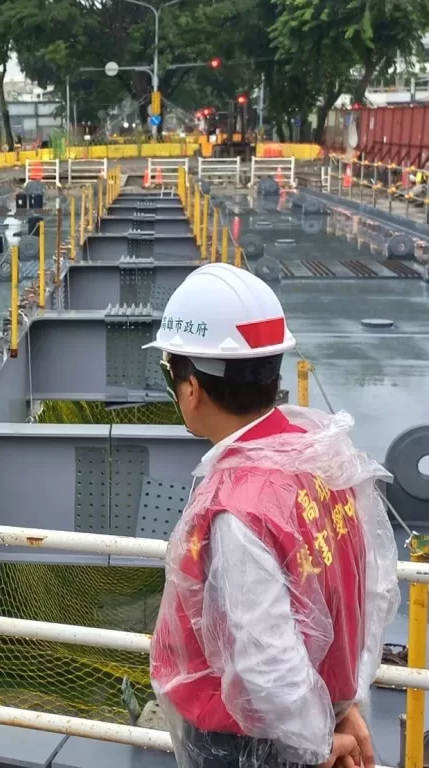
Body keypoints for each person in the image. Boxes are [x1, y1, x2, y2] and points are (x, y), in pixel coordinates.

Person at [146, 263, 399, 768]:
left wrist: (318, 743)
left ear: (191, 388)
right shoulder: (319, 453)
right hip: (312, 716)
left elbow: (266, 662)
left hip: (252, 744)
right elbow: (370, 593)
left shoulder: (238, 505)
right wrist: (341, 707)